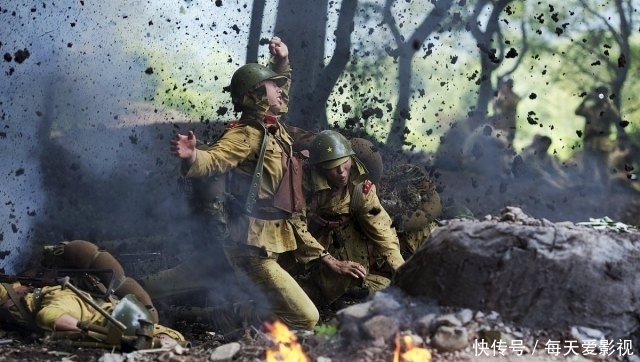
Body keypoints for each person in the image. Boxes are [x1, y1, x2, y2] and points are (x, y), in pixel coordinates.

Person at [169, 37, 365, 330]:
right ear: (257, 95)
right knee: (308, 318)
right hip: (251, 248)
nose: (281, 90)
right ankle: (234, 316)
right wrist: (192, 156)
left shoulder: (273, 129)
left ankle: (237, 309)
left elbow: (279, 90)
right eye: (273, 86)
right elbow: (216, 159)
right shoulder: (246, 134)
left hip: (274, 241)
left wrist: (281, 62)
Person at [300, 130, 405, 306]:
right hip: (301, 244)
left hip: (340, 241)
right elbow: (293, 227)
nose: (341, 172)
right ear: (320, 168)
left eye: (345, 162)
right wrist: (330, 261)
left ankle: (339, 295)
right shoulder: (303, 184)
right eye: (333, 167)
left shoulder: (361, 190)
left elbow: (383, 232)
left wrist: (402, 272)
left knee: (364, 275)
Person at [0, 280, 186, 350]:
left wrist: (163, 340)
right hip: (11, 298)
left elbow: (173, 337)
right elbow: (48, 316)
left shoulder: (129, 320)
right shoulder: (76, 306)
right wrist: (95, 334)